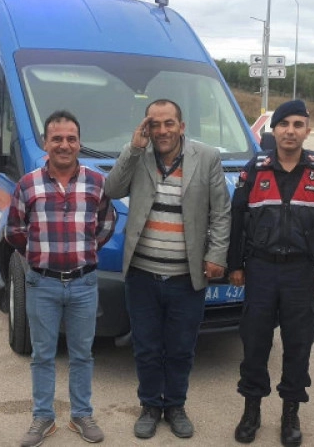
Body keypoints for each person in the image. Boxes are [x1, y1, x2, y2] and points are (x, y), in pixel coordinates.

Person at [104, 99, 230, 440]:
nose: (162, 131)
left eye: (168, 123)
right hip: (142, 275)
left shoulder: (207, 157)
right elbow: (112, 189)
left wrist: (217, 255)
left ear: (181, 126)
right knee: (146, 347)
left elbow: (221, 212)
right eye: (154, 124)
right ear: (147, 126)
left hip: (187, 277)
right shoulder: (138, 154)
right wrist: (133, 148)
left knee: (181, 348)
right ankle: (149, 406)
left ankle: (175, 406)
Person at [228, 99, 314, 446]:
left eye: (297, 124)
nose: (290, 131)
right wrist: (235, 264)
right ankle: (251, 410)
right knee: (255, 342)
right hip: (260, 269)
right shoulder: (255, 168)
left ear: (307, 130)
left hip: (301, 272)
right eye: (284, 124)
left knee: (298, 344)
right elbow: (237, 218)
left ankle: (291, 413)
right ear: (273, 130)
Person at [5, 110, 116, 446]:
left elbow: (106, 223)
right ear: (45, 143)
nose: (64, 145)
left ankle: (81, 414)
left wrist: (84, 250)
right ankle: (43, 417)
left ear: (79, 143)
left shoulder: (97, 183)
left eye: (71, 139)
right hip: (42, 283)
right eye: (57, 139)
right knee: (42, 355)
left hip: (84, 284)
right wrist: (40, 256)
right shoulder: (28, 184)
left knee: (82, 354)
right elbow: (14, 230)